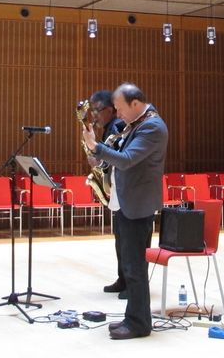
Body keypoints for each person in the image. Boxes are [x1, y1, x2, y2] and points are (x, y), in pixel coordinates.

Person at [82, 83, 167, 340]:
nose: (117, 114)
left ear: (135, 103)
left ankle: (139, 324)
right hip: (126, 201)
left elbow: (128, 158)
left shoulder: (152, 126)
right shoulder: (136, 123)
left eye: (119, 109)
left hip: (138, 204)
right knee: (130, 266)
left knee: (135, 268)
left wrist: (96, 146)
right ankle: (134, 318)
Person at [87, 89, 129, 299]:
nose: (94, 115)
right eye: (92, 110)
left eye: (97, 110)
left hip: (126, 191)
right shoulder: (108, 127)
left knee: (128, 240)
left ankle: (131, 283)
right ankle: (123, 279)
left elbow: (115, 158)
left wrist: (94, 147)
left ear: (111, 109)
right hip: (117, 190)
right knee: (120, 238)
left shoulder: (118, 127)